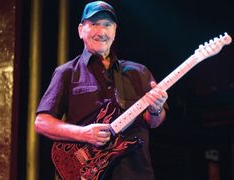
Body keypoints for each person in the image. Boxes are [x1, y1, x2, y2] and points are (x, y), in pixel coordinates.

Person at [35, 1, 168, 179]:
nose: (101, 31)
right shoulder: (67, 72)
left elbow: (153, 122)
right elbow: (42, 123)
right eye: (94, 24)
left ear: (114, 31)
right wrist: (83, 133)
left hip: (135, 172)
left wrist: (156, 109)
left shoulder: (139, 72)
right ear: (81, 30)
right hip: (87, 173)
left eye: (107, 25)